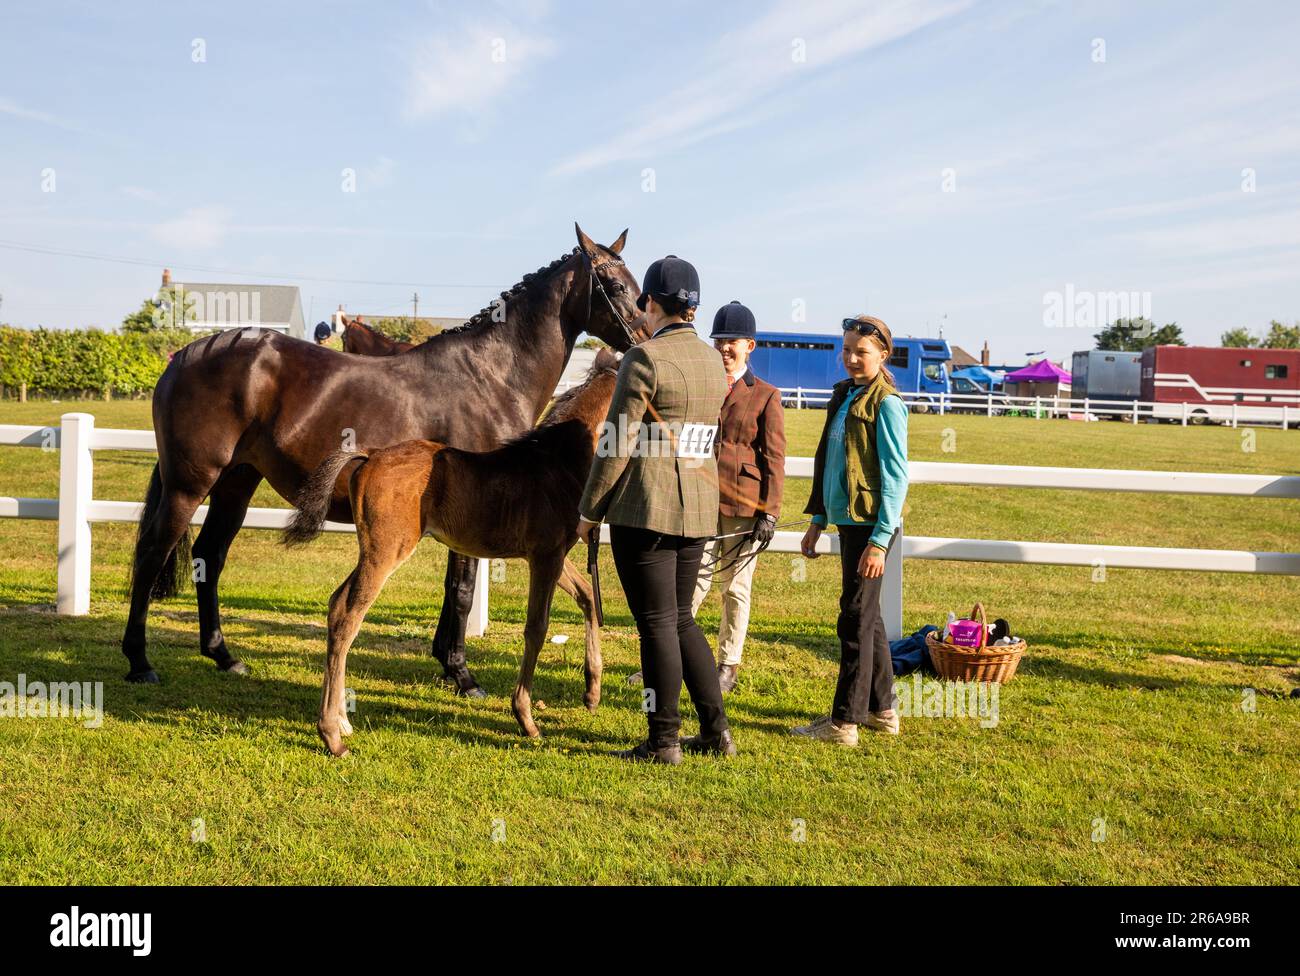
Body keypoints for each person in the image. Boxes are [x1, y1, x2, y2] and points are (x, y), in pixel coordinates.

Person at [577, 255, 733, 765]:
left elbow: (617, 441)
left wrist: (589, 510)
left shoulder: (643, 359)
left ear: (650, 302)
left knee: (657, 625)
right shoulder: (714, 361)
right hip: (697, 509)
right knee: (682, 620)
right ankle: (715, 731)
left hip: (645, 509)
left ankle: (663, 738)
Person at [792, 314, 909, 745]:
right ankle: (883, 709)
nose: (852, 358)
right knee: (869, 618)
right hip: (847, 522)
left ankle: (845, 722)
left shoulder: (887, 404)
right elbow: (830, 463)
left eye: (861, 352)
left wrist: (879, 542)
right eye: (846, 350)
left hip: (871, 529)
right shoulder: (844, 396)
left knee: (855, 619)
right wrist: (818, 520)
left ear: (882, 354)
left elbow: (896, 478)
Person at [690, 300, 785, 693]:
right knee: (690, 583)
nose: (725, 348)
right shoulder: (702, 386)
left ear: (750, 346)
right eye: (719, 341)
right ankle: (671, 657)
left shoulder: (765, 394)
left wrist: (770, 512)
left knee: (734, 588)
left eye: (733, 341)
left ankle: (728, 664)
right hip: (698, 501)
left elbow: (774, 457)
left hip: (745, 505)